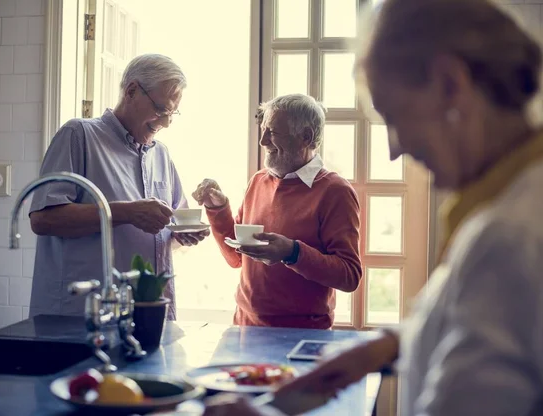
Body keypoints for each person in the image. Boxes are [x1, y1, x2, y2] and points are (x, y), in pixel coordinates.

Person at [205, 0, 543, 414]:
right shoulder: (505, 207)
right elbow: (474, 323)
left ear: (450, 84)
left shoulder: (510, 236)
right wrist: (384, 347)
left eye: (394, 117)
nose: (394, 148)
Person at [28, 54, 209, 319]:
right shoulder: (78, 135)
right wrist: (127, 212)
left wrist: (184, 234)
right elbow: (43, 219)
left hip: (149, 315)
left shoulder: (162, 155)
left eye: (172, 113)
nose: (166, 122)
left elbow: (171, 226)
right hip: (82, 317)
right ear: (132, 90)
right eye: (160, 109)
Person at [193, 94, 362, 329]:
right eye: (263, 130)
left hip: (301, 335)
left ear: (306, 137)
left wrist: (292, 252)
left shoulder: (336, 191)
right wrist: (217, 208)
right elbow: (236, 258)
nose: (262, 141)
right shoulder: (258, 181)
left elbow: (349, 276)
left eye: (271, 132)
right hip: (244, 328)